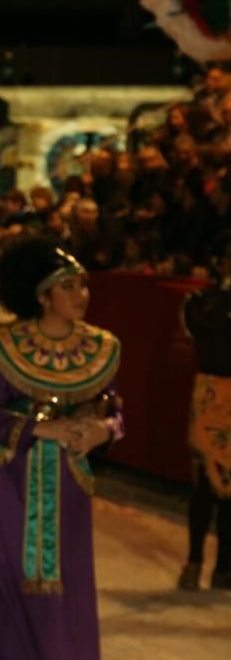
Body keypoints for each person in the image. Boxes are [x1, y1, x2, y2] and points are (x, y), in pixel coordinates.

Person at [0, 237, 123, 660]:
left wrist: (103, 431)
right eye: (69, 286)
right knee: (11, 591)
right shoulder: (6, 345)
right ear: (43, 295)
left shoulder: (100, 347)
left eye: (83, 285)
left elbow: (115, 413)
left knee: (68, 598)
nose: (80, 295)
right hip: (6, 481)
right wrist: (41, 429)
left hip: (68, 487)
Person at [178, 231, 231, 591]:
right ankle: (195, 560)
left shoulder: (204, 302)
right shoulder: (201, 302)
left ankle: (224, 567)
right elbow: (207, 334)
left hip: (217, 392)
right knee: (205, 484)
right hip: (213, 394)